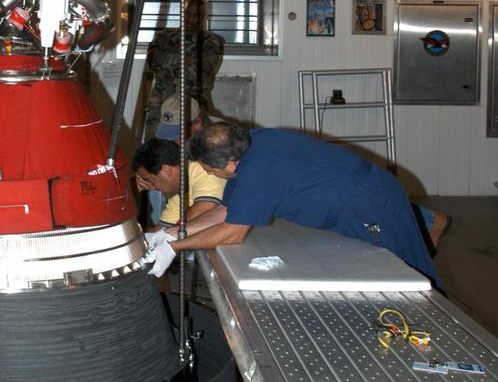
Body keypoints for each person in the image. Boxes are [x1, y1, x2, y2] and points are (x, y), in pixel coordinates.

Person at [145, 122, 439, 287]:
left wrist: (176, 249)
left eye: (209, 170)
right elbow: (226, 211)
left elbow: (233, 231)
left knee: (409, 274)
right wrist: (171, 233)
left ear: (231, 164)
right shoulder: (248, 145)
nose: (209, 175)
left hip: (372, 203)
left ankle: (438, 331)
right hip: (353, 202)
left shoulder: (259, 168)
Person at [142, 0, 223, 139]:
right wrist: (187, 60)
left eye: (196, 16)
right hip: (160, 102)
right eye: (188, 14)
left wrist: (168, 62)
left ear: (203, 18)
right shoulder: (164, 37)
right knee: (154, 144)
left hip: (193, 104)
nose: (191, 19)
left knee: (193, 146)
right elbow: (153, 64)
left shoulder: (210, 42)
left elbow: (198, 74)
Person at [131, 136, 226, 232]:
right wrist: (132, 191)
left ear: (167, 169)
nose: (152, 187)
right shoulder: (179, 191)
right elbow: (160, 232)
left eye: (150, 180)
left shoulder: (201, 168)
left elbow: (205, 210)